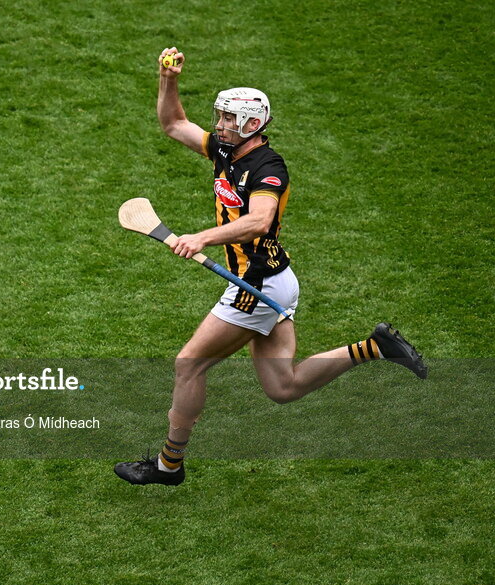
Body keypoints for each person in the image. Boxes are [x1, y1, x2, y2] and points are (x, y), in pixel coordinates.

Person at [115, 48, 427, 487]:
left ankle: (169, 465)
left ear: (251, 124)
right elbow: (173, 124)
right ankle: (375, 348)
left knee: (189, 365)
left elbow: (260, 220)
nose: (219, 124)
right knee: (284, 388)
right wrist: (168, 79)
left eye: (228, 118)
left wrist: (201, 237)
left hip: (255, 285)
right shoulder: (226, 151)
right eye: (220, 116)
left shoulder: (267, 167)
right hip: (276, 281)